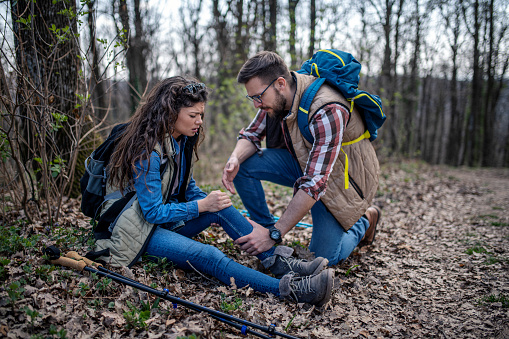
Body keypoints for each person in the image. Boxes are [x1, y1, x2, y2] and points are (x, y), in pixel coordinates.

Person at [92, 76, 334, 306]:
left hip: (163, 221)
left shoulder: (180, 139)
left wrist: (220, 209)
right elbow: (152, 212)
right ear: (170, 114)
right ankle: (290, 289)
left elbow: (188, 188)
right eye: (193, 115)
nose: (199, 121)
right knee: (209, 255)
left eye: (201, 115)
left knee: (221, 206)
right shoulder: (146, 151)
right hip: (137, 231)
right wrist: (201, 206)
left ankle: (277, 261)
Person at [222, 51, 382, 266]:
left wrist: (276, 234)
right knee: (243, 164)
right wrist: (234, 158)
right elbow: (252, 134)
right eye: (252, 98)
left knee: (324, 258)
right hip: (307, 163)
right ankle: (264, 231)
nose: (256, 104)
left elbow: (315, 183)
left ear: (280, 83)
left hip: (341, 179)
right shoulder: (275, 97)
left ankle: (365, 221)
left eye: (258, 97)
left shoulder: (328, 109)